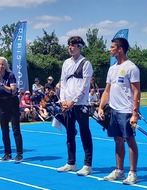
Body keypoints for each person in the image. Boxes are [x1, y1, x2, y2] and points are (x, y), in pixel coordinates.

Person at [98, 37, 140, 185]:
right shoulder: (112, 68)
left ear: (120, 49)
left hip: (126, 111)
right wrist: (101, 107)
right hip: (114, 111)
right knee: (117, 140)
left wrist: (135, 113)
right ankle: (119, 170)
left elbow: (136, 92)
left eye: (112, 47)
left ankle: (133, 173)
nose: (110, 49)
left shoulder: (131, 68)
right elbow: (107, 91)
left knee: (130, 140)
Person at [56, 36, 93, 176]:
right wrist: (63, 100)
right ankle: (71, 162)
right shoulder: (66, 63)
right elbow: (63, 82)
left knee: (84, 132)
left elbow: (85, 85)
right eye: (69, 45)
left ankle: (88, 164)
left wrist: (74, 101)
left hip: (81, 104)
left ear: (80, 46)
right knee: (69, 132)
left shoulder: (86, 63)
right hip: (67, 105)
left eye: (73, 45)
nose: (70, 47)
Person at [0, 56, 23, 162]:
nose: (1, 66)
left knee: (15, 129)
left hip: (12, 102)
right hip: (1, 103)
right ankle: (7, 153)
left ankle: (19, 153)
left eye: (2, 64)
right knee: (4, 130)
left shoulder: (10, 75)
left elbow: (13, 90)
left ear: (6, 65)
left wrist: (2, 85)